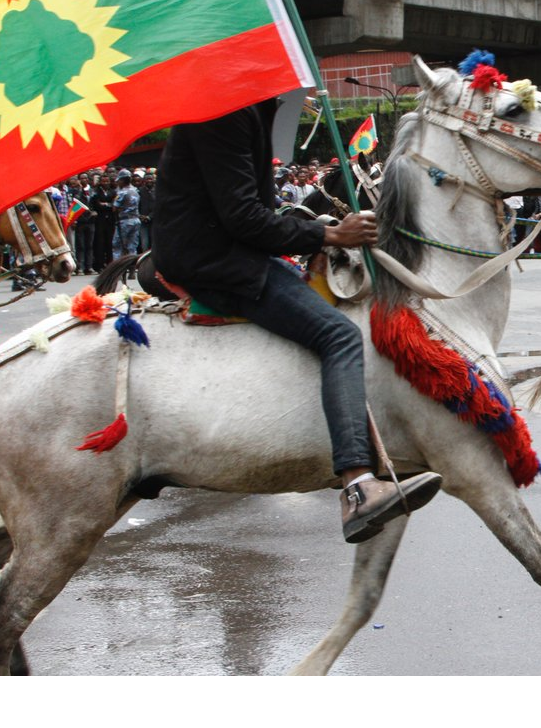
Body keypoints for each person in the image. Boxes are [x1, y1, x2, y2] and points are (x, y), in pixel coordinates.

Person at [152, 98, 442, 543]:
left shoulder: (246, 107)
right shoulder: (225, 111)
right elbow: (243, 217)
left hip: (221, 249)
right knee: (339, 335)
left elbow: (255, 208)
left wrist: (310, 224)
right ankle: (358, 484)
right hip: (213, 261)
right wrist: (329, 234)